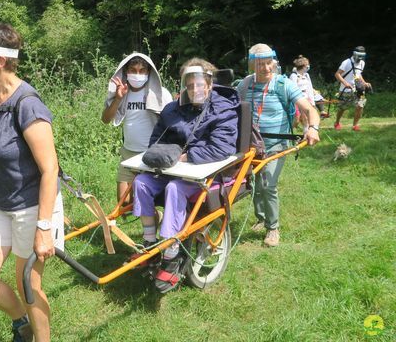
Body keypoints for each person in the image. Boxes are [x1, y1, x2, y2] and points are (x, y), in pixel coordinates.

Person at [0, 23, 63, 342]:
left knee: (28, 286)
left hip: (32, 207)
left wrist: (44, 227)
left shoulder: (27, 105)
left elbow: (50, 169)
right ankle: (21, 321)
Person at [132, 58, 238, 293]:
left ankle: (171, 253)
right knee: (140, 182)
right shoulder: (173, 108)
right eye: (189, 85)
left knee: (174, 189)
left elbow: (222, 147)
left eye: (199, 84)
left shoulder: (224, 109)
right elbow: (156, 141)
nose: (194, 89)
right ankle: (150, 242)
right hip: (171, 169)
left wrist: (185, 157)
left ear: (210, 84)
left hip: (204, 176)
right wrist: (164, 156)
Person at [237, 43, 320, 247]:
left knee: (268, 184)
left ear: (274, 63)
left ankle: (272, 228)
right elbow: (230, 110)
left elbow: (309, 109)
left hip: (276, 145)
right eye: (260, 65)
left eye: (268, 63)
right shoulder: (244, 85)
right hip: (251, 147)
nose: (266, 69)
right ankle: (261, 217)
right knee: (253, 184)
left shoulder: (284, 85)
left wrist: (313, 128)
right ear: (251, 66)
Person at [102, 53, 172, 205]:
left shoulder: (160, 93)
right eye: (133, 70)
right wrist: (118, 98)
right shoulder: (121, 92)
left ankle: (152, 219)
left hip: (150, 154)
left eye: (142, 71)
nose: (137, 74)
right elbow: (106, 119)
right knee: (124, 202)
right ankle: (154, 218)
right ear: (126, 71)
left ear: (149, 72)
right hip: (128, 153)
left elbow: (171, 124)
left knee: (145, 200)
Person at [334, 46, 372, 131]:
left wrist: (364, 83)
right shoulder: (346, 62)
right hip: (346, 90)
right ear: (354, 54)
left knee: (360, 106)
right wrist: (345, 83)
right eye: (359, 55)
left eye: (362, 56)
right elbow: (337, 74)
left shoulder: (362, 63)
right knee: (342, 108)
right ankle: (337, 123)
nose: (360, 57)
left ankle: (355, 126)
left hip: (359, 90)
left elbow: (358, 74)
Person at [289, 55, 316, 131]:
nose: (308, 66)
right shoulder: (293, 76)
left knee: (306, 118)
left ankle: (305, 134)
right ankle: (288, 132)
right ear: (304, 66)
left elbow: (309, 88)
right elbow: (292, 90)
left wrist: (312, 102)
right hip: (296, 99)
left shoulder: (307, 75)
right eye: (307, 65)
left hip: (306, 98)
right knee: (296, 120)